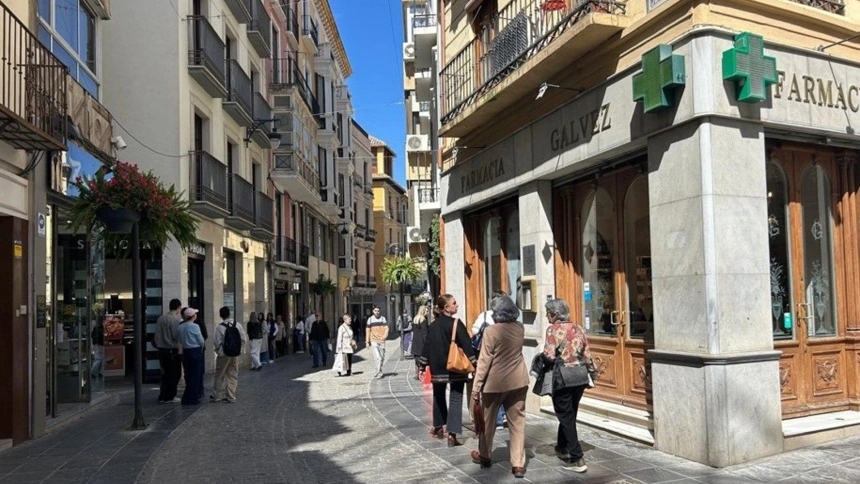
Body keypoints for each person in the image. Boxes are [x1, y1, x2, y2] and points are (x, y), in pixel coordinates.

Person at [470, 295, 529, 478]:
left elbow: (484, 361)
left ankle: (485, 455)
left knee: (487, 422)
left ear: (497, 313)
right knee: (517, 423)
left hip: (494, 383)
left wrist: (476, 387)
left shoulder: (491, 331)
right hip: (518, 380)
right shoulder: (519, 328)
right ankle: (518, 464)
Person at [542, 298, 597, 473]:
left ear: (556, 314)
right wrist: (592, 373)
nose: (547, 316)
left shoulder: (553, 330)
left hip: (563, 377)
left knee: (566, 415)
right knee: (569, 413)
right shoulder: (578, 328)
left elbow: (549, 355)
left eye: (548, 313)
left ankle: (577, 458)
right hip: (579, 376)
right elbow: (587, 354)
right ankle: (562, 445)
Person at [419, 294, 477, 448]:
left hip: (437, 367)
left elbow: (427, 345)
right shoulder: (456, 323)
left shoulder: (433, 325)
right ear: (446, 307)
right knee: (456, 398)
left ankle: (438, 426)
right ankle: (452, 434)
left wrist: (422, 365)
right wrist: (474, 363)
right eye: (454, 303)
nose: (457, 305)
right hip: (455, 367)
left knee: (438, 396)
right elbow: (466, 344)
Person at [471, 290, 509, 429]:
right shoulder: (509, 317)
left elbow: (474, 331)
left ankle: (498, 419)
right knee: (504, 386)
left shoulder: (485, 315)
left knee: (494, 387)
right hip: (505, 356)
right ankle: (503, 416)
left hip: (490, 355)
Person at [211, 306, 248, 403]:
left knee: (219, 375)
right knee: (232, 375)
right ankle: (231, 396)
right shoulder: (237, 325)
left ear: (220, 315)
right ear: (229, 314)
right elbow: (243, 339)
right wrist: (239, 350)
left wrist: (219, 352)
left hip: (223, 354)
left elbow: (217, 342)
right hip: (234, 354)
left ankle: (217, 395)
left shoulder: (220, 327)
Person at [154, 298, 183, 403]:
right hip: (172, 350)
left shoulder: (160, 318)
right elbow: (175, 335)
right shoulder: (175, 320)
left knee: (165, 373)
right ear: (178, 308)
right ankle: (170, 396)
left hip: (161, 350)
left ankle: (163, 395)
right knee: (175, 373)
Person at [177, 308, 205, 405]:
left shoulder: (181, 326)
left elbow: (179, 339)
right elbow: (201, 340)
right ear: (193, 316)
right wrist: (201, 348)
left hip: (185, 351)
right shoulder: (195, 326)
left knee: (188, 375)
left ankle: (187, 396)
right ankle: (192, 397)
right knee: (195, 375)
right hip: (194, 350)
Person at [366, 306, 389, 379]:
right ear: (373, 311)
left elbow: (386, 328)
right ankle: (378, 372)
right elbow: (367, 330)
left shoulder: (383, 319)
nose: (377, 312)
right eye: (375, 311)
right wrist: (367, 342)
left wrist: (384, 337)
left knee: (382, 357)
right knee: (378, 357)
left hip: (382, 340)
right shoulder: (370, 319)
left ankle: (378, 370)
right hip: (374, 340)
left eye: (378, 311)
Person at [410, 305, 430, 380]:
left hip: (415, 341)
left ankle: (417, 374)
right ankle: (422, 373)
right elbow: (425, 333)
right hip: (421, 341)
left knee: (416, 359)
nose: (428, 313)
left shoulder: (415, 319)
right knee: (423, 358)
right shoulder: (423, 320)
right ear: (423, 311)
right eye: (426, 311)